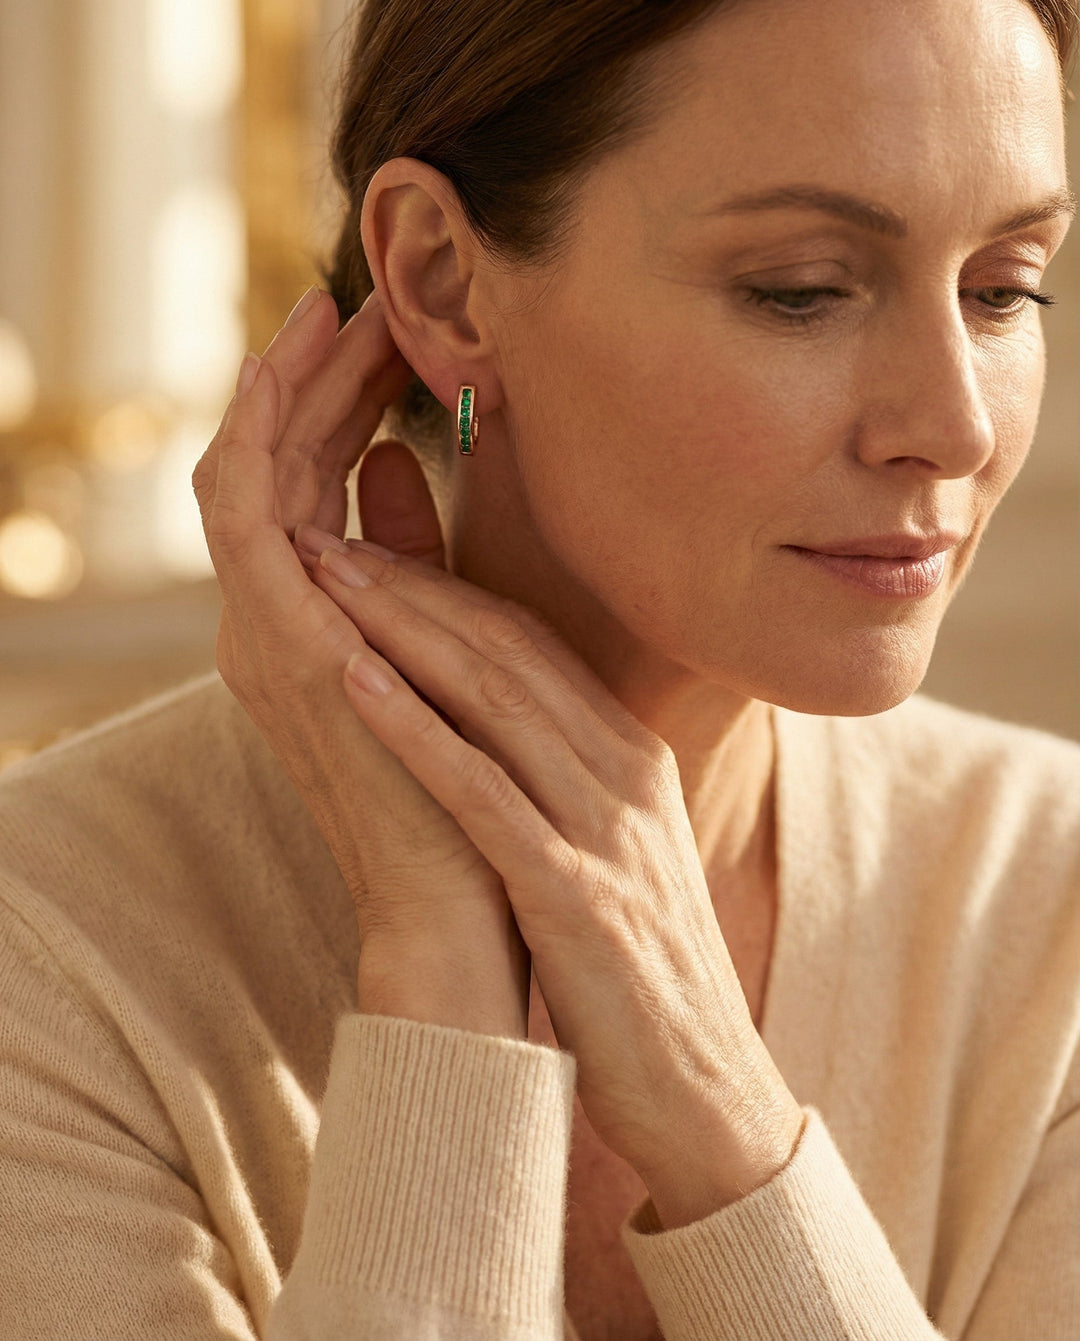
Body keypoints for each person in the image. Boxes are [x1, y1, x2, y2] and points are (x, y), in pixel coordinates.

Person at [1, 0, 1078, 1336]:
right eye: (802, 287)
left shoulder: (1056, 920)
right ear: (446, 281)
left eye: (1005, 289)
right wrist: (446, 988)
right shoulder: (43, 950)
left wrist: (716, 1114)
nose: (956, 425)